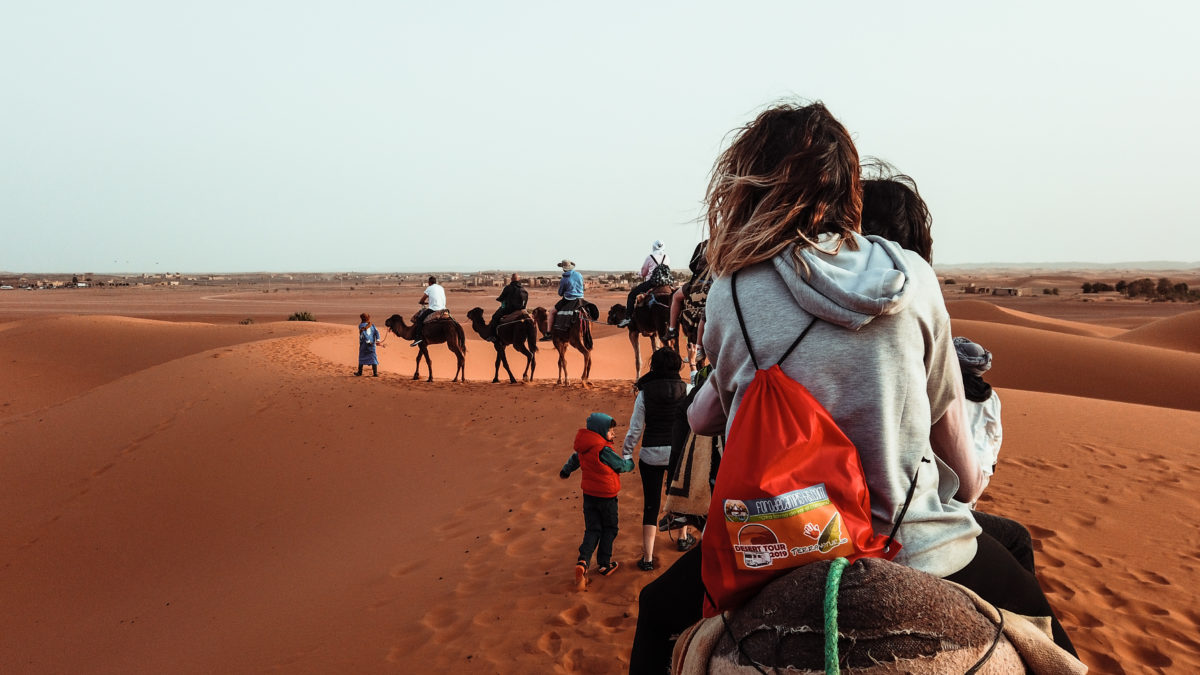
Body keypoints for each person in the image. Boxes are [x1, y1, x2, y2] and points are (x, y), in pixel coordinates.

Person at [629, 101, 1075, 673]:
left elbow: (707, 417)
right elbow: (956, 456)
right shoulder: (913, 276)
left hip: (782, 542)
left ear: (752, 184)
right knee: (1050, 641)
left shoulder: (731, 290)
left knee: (656, 608)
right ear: (847, 185)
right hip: (918, 541)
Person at [622, 348, 691, 572]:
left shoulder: (645, 392)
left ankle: (648, 558)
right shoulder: (687, 389)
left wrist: (626, 453)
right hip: (678, 453)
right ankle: (682, 539)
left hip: (650, 454)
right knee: (680, 497)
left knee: (651, 505)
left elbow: (635, 428)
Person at [560, 412, 634, 584]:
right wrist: (630, 463)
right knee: (610, 528)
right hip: (607, 497)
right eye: (610, 431)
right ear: (600, 431)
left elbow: (574, 460)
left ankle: (583, 561)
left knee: (593, 529)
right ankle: (604, 564)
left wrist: (566, 470)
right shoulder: (603, 449)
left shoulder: (584, 447)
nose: (613, 434)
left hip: (589, 496)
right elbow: (621, 466)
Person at [667, 240, 712, 368]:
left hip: (700, 282)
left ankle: (671, 329)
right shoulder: (725, 243)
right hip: (720, 282)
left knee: (676, 297)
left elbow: (692, 265)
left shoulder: (704, 244)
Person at [617, 240, 672, 328]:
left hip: (652, 283)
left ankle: (628, 318)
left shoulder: (650, 257)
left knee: (631, 295)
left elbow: (643, 273)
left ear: (653, 247)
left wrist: (639, 274)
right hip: (666, 284)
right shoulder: (667, 257)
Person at [540, 259, 585, 342]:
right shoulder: (579, 275)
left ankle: (549, 333)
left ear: (563, 268)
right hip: (581, 299)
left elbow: (560, 293)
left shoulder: (564, 279)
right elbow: (583, 286)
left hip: (569, 299)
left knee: (552, 312)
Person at [486, 273, 528, 343]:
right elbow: (525, 302)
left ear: (511, 279)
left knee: (495, 317)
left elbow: (501, 298)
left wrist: (500, 300)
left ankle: (492, 335)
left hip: (509, 310)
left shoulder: (508, 288)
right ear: (519, 280)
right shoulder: (524, 290)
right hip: (522, 310)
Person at [411, 276, 446, 346]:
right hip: (443, 309)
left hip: (434, 309)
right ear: (435, 282)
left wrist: (421, 302)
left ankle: (418, 338)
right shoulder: (441, 287)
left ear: (429, 282)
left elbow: (423, 299)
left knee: (419, 319)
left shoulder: (429, 288)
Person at [355, 312, 384, 377]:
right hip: (372, 345)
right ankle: (375, 373)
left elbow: (364, 334)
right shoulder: (372, 325)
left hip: (364, 345)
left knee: (361, 357)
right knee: (373, 357)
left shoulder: (361, 325)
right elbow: (377, 332)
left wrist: (368, 341)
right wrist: (378, 340)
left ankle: (359, 372)